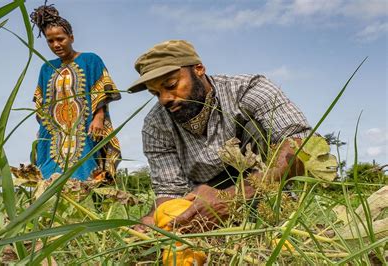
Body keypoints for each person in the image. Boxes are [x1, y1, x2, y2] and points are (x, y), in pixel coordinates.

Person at [127, 40, 310, 229]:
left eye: (171, 85)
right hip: (204, 201)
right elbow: (170, 191)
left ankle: (273, 219)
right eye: (156, 93)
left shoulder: (247, 88)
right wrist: (153, 219)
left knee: (259, 129)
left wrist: (232, 197)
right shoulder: (156, 125)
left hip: (263, 186)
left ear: (199, 69)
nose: (165, 99)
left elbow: (300, 141)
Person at [30, 4, 121, 181]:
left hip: (86, 127)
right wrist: (42, 131)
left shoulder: (90, 60)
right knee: (49, 173)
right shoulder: (46, 68)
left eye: (60, 39)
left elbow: (101, 91)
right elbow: (42, 103)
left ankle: (97, 208)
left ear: (71, 37)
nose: (56, 44)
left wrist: (99, 117)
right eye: (50, 41)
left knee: (91, 168)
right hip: (54, 133)